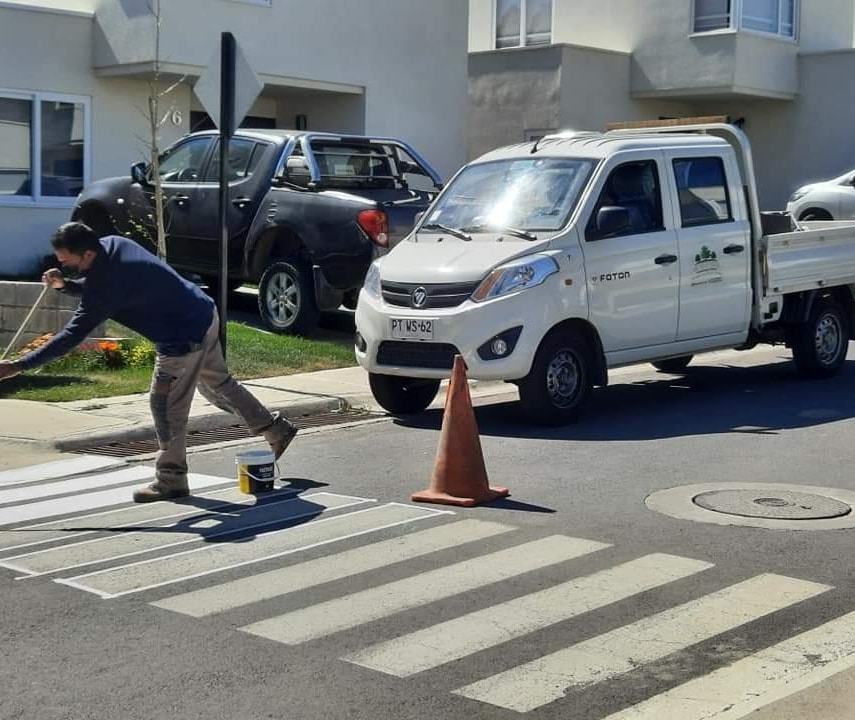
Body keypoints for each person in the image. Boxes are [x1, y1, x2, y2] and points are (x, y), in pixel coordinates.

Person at [0, 222, 297, 503]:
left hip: (181, 338)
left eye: (68, 262)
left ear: (88, 253)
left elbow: (70, 336)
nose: (64, 265)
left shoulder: (107, 282)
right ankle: (275, 430)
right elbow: (100, 288)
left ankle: (171, 479)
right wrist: (66, 284)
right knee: (220, 385)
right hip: (203, 313)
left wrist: (17, 366)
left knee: (165, 406)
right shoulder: (113, 245)